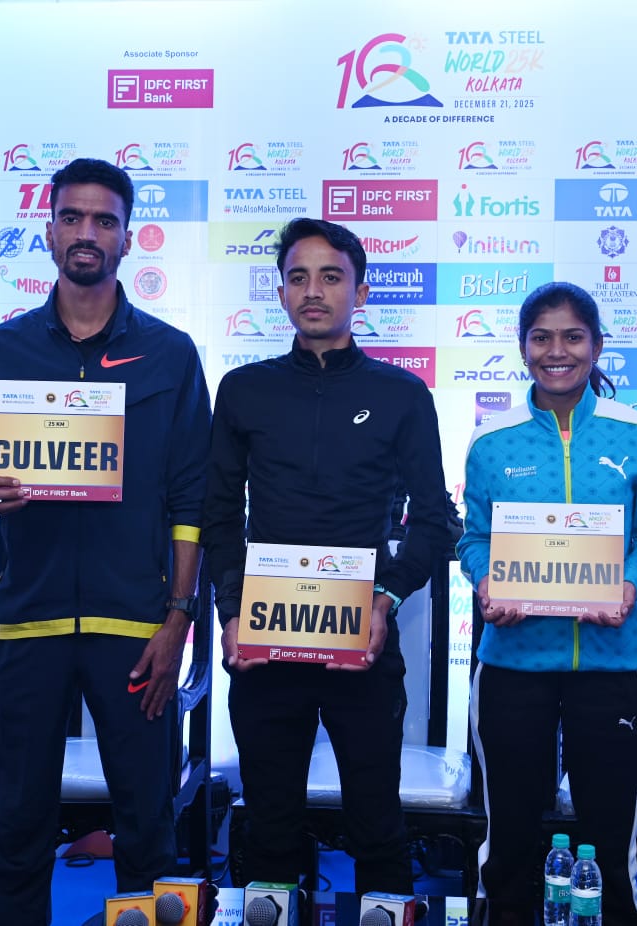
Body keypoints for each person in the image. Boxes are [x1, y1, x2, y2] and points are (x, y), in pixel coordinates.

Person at [0, 157, 211, 926]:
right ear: (49, 231)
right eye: (71, 217)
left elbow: (190, 498)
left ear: (128, 237)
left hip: (134, 626)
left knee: (147, 831)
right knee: (19, 830)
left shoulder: (170, 354)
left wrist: (177, 619)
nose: (86, 232)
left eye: (103, 220)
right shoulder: (1, 349)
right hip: (26, 621)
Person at [202, 217, 450, 896]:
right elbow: (218, 515)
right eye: (298, 277)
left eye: (331, 276)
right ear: (280, 292)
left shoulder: (401, 394)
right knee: (269, 828)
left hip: (361, 641)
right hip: (265, 642)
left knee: (378, 826)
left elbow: (435, 521)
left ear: (360, 292)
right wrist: (230, 612)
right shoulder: (243, 390)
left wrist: (387, 599)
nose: (313, 291)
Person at [457, 281, 637, 926]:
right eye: (542, 337)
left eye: (573, 337)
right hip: (512, 665)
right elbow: (473, 540)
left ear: (597, 345)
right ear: (523, 346)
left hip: (609, 665)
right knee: (510, 842)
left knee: (609, 842)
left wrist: (628, 585)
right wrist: (487, 582)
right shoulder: (491, 442)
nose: (557, 351)